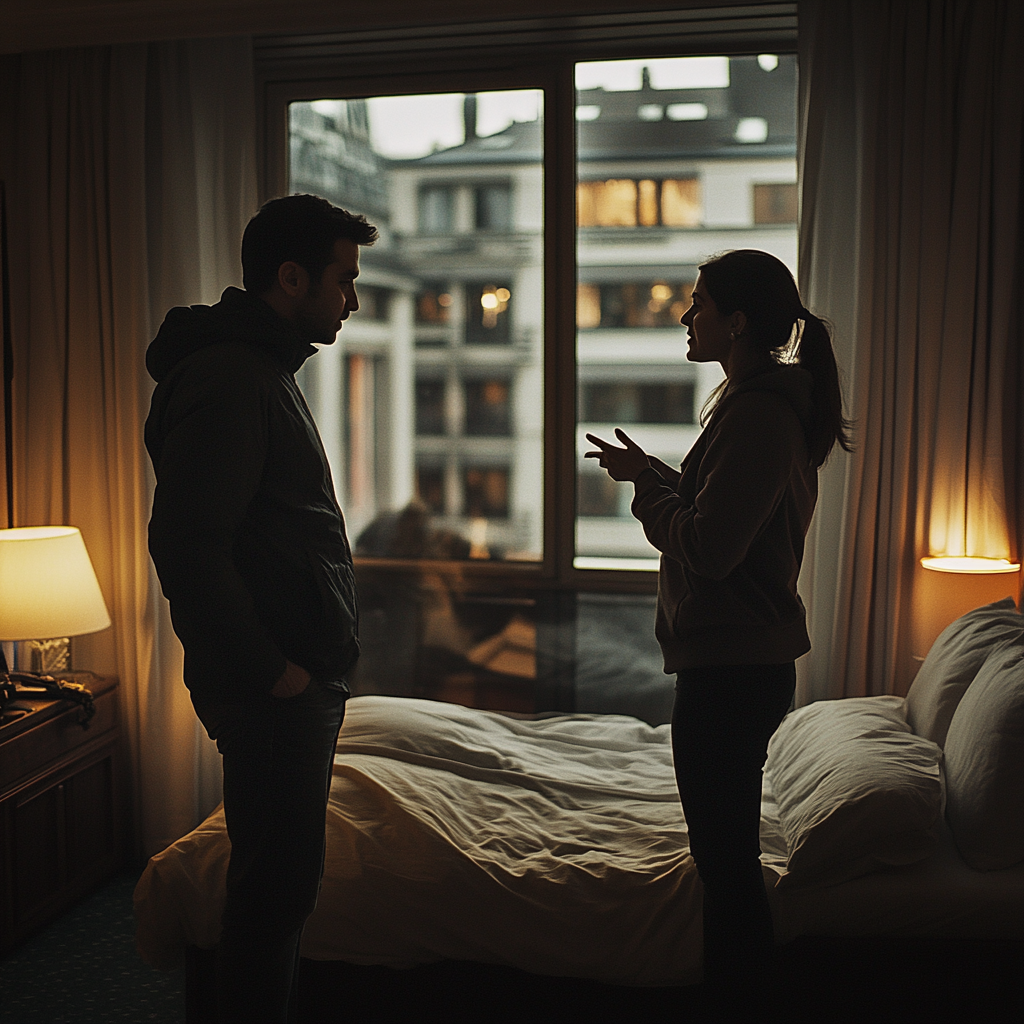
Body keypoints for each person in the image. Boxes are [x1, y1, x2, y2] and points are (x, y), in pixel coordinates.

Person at [585, 249, 852, 1007]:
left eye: (698, 303)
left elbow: (710, 547)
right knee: (725, 860)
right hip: (735, 667)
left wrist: (646, 496)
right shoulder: (757, 406)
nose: (685, 315)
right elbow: (727, 514)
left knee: (726, 869)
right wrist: (662, 476)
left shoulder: (762, 411)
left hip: (732, 674)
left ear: (735, 322)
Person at [145, 194, 378, 1023]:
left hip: (290, 681)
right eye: (344, 281)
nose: (352, 299)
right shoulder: (234, 376)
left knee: (278, 894)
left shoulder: (258, 367)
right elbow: (186, 544)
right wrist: (273, 672)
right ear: (291, 278)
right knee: (273, 899)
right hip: (274, 690)